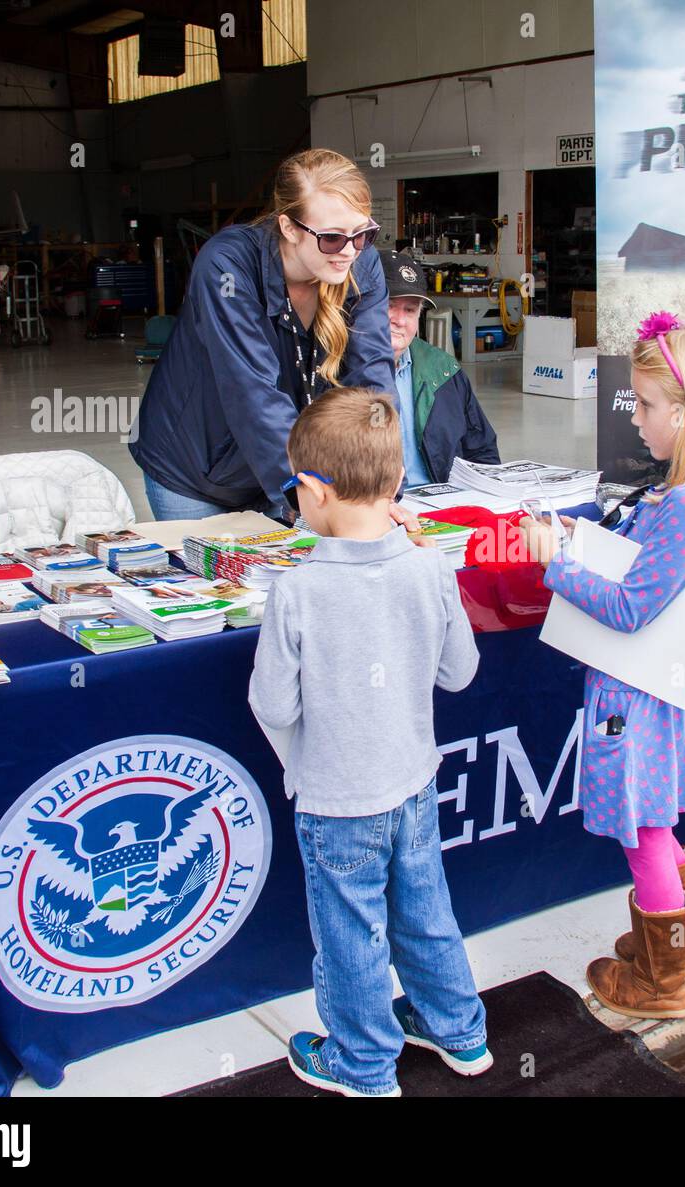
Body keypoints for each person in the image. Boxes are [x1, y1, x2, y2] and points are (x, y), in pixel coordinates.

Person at [516, 314, 685, 1020]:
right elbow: (653, 574)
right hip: (665, 692)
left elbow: (629, 608)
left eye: (647, 405)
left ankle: (663, 980)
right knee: (657, 820)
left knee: (644, 832)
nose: (637, 419)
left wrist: (555, 563)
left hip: (633, 699)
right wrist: (588, 536)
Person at [248, 386, 491, 1098]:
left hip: (335, 799)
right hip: (414, 783)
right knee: (425, 906)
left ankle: (362, 1063)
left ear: (314, 494)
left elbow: (272, 701)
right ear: (394, 486)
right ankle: (459, 1027)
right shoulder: (429, 565)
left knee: (352, 935)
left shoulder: (296, 592)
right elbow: (461, 671)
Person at [130, 149, 394, 520]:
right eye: (332, 237)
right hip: (195, 470)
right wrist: (312, 499)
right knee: (219, 580)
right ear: (289, 227)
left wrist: (380, 493)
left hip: (280, 462)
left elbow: (373, 377)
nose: (349, 251)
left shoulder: (361, 264)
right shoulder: (227, 267)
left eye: (362, 233)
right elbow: (252, 394)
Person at [378, 248, 500, 485]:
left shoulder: (442, 369)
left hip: (443, 507)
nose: (400, 320)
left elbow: (482, 451)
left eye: (410, 310)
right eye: (389, 306)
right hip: (373, 511)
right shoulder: (336, 371)